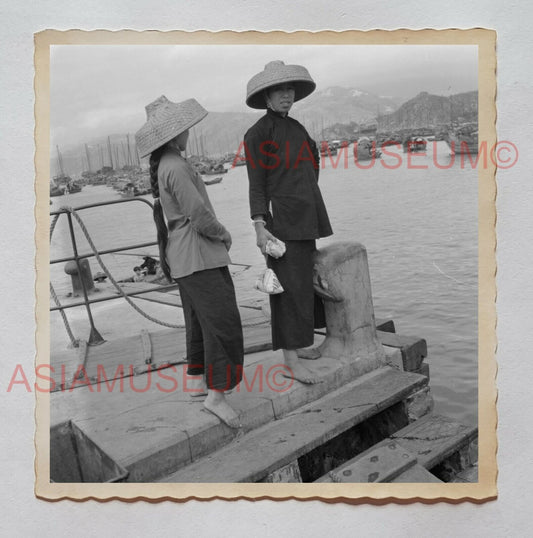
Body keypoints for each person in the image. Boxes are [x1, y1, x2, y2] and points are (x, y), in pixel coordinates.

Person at [135, 96, 244, 428]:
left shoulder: (166, 165)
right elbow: (198, 215)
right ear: (173, 134)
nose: (188, 132)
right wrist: (224, 234)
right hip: (199, 254)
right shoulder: (177, 166)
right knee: (222, 324)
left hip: (181, 255)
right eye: (183, 128)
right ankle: (217, 396)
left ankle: (196, 379)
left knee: (198, 321)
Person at [243, 60, 333, 384]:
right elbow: (257, 183)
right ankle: (290, 361)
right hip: (279, 224)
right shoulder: (257, 134)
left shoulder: (297, 129)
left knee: (304, 287)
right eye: (279, 90)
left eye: (289, 89)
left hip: (306, 218)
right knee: (285, 291)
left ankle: (301, 345)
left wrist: (307, 192)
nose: (286, 95)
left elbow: (314, 158)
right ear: (266, 95)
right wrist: (259, 224)